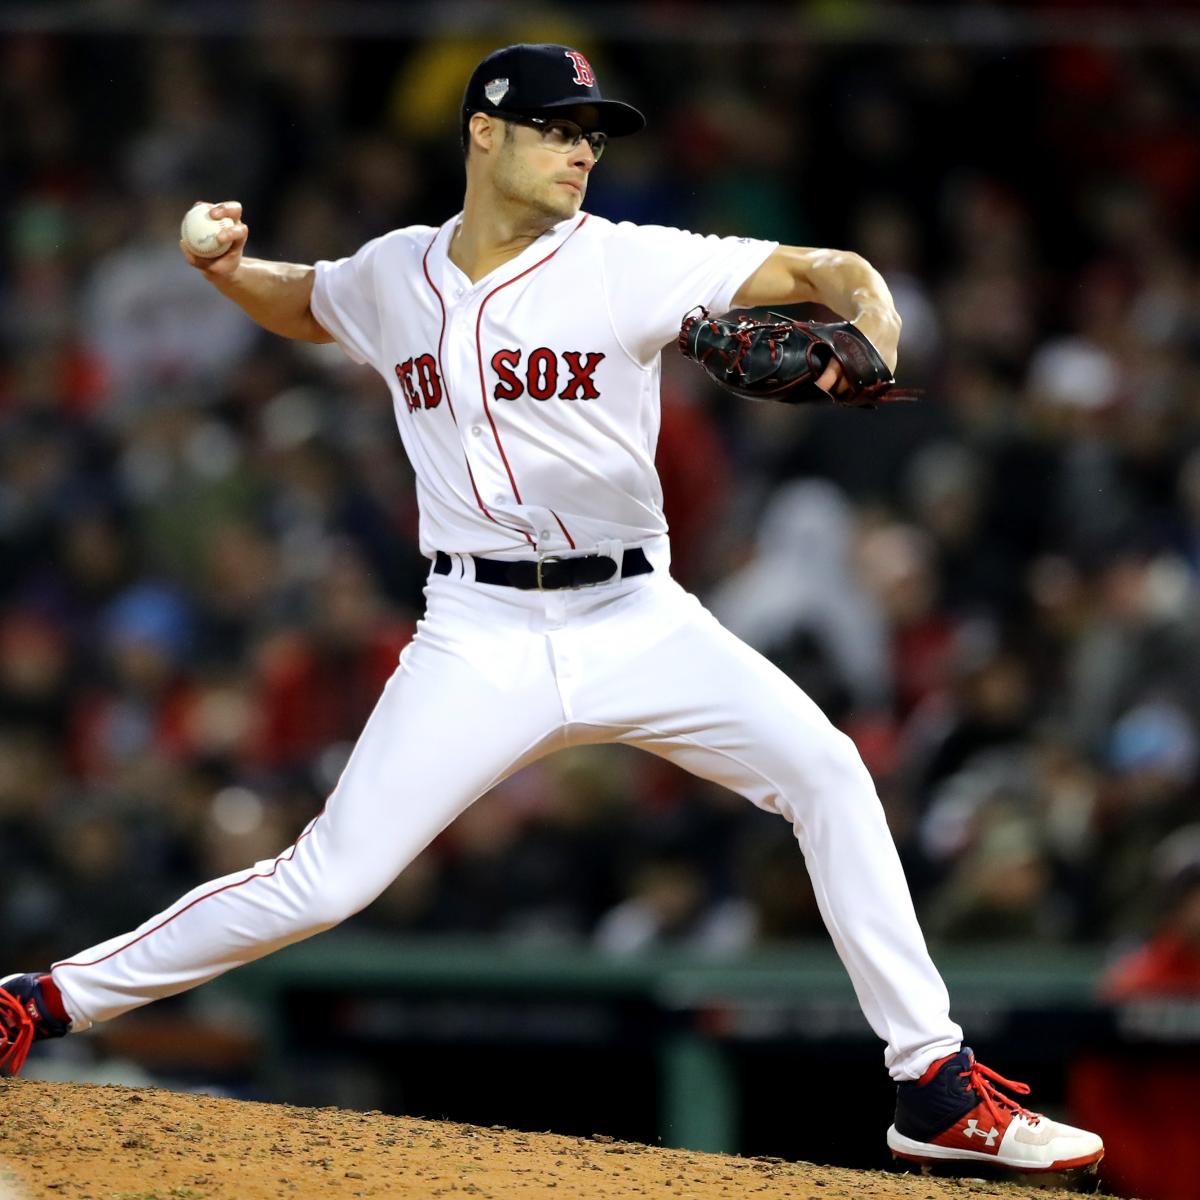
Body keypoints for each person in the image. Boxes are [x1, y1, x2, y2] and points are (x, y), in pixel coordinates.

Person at [0, 43, 1103, 1179]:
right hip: (476, 635)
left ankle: (932, 1083)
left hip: (636, 614)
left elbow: (830, 266)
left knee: (826, 772)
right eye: (558, 127)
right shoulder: (397, 272)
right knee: (326, 878)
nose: (583, 149)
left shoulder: (628, 261)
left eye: (592, 132)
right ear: (486, 132)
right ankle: (36, 1003)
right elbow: (311, 300)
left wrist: (876, 331)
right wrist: (231, 272)